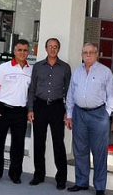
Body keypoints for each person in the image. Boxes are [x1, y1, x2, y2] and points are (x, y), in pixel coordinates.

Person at [65, 42, 113, 195]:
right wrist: (69, 114)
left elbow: (111, 95)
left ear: (97, 53)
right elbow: (70, 93)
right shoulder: (77, 71)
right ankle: (81, 182)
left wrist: (106, 114)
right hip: (79, 114)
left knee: (99, 152)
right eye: (85, 53)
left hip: (98, 115)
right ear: (82, 55)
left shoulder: (105, 72)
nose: (87, 55)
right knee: (80, 150)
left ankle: (100, 187)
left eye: (91, 52)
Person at [27, 37, 72, 190]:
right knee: (39, 142)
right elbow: (32, 89)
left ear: (58, 49)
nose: (52, 49)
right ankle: (38, 175)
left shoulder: (65, 68)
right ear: (45, 49)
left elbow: (69, 92)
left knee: (58, 143)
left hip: (57, 108)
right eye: (50, 46)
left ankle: (61, 179)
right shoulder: (38, 67)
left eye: (55, 47)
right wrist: (30, 109)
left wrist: (68, 112)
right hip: (39, 106)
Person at [0, 39, 32, 184]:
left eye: (25, 50)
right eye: (19, 50)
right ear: (14, 51)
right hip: (2, 110)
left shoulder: (30, 70)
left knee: (18, 145)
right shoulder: (4, 67)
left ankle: (15, 174)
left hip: (20, 112)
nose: (22, 53)